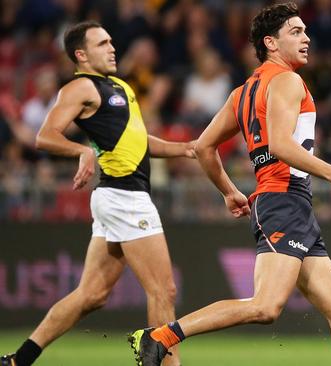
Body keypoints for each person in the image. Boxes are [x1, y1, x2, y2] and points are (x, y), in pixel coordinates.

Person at [128, 3, 331, 366]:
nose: (307, 38)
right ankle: (161, 335)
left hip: (288, 204)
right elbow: (280, 144)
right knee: (266, 306)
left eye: (305, 30)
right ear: (270, 43)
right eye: (296, 32)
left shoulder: (241, 93)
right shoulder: (288, 80)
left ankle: (162, 335)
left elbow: (204, 147)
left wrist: (229, 191)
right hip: (283, 202)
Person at [0, 21, 194, 366]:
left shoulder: (120, 85)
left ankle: (19, 360)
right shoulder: (80, 88)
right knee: (163, 291)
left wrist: (184, 149)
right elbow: (44, 136)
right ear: (81, 54)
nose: (112, 47)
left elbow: (138, 141)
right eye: (102, 43)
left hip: (116, 198)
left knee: (91, 295)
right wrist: (82, 151)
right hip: (124, 198)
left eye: (110, 41)